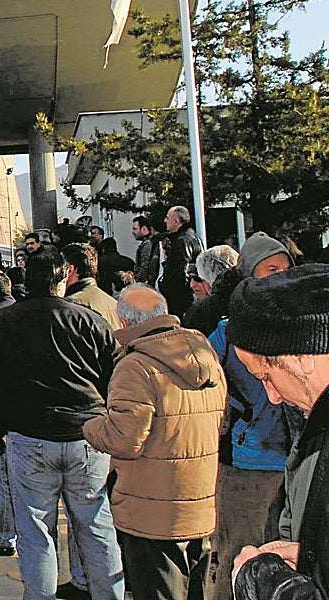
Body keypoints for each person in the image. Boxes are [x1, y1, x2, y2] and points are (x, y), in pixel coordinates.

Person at [0, 246, 124, 600]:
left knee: (36, 532)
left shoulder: (1, 323)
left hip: (29, 436)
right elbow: (117, 376)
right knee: (97, 527)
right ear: (65, 275)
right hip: (88, 435)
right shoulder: (89, 321)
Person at [83, 285, 226, 600]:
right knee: (197, 590)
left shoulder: (135, 366)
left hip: (150, 506)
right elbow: (221, 419)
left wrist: (91, 427)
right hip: (201, 500)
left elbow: (124, 440)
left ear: (124, 323)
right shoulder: (205, 354)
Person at [225, 265, 329, 600]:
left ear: (302, 357)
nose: (273, 396)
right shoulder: (317, 423)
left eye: (267, 376)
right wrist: (312, 558)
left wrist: (262, 582)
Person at [207, 233, 301, 600]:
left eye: (286, 269)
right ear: (248, 274)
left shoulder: (306, 325)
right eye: (271, 269)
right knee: (238, 557)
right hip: (247, 464)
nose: (281, 276)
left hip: (298, 463)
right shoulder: (227, 332)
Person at [159, 205, 205, 317]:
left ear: (176, 221)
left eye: (167, 218)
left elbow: (178, 273)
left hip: (180, 300)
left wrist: (164, 285)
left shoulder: (182, 241)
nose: (165, 221)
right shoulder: (194, 237)